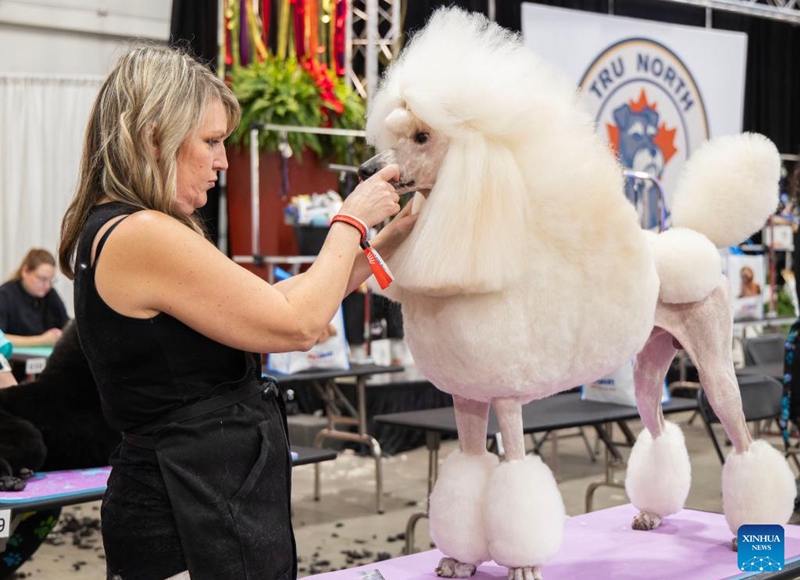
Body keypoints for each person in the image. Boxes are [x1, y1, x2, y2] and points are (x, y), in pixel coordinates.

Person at [58, 45, 414, 580]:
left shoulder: (128, 228)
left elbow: (275, 306)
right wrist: (349, 223)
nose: (223, 161)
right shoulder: (140, 233)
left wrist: (387, 239)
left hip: (199, 497)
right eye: (212, 141)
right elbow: (296, 325)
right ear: (155, 134)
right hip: (187, 511)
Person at [0, 249, 69, 347]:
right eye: (42, 279)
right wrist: (42, 340)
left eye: (51, 280)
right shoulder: (5, 295)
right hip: (14, 360)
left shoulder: (50, 294)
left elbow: (66, 325)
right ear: (25, 271)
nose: (47, 285)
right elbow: (1, 339)